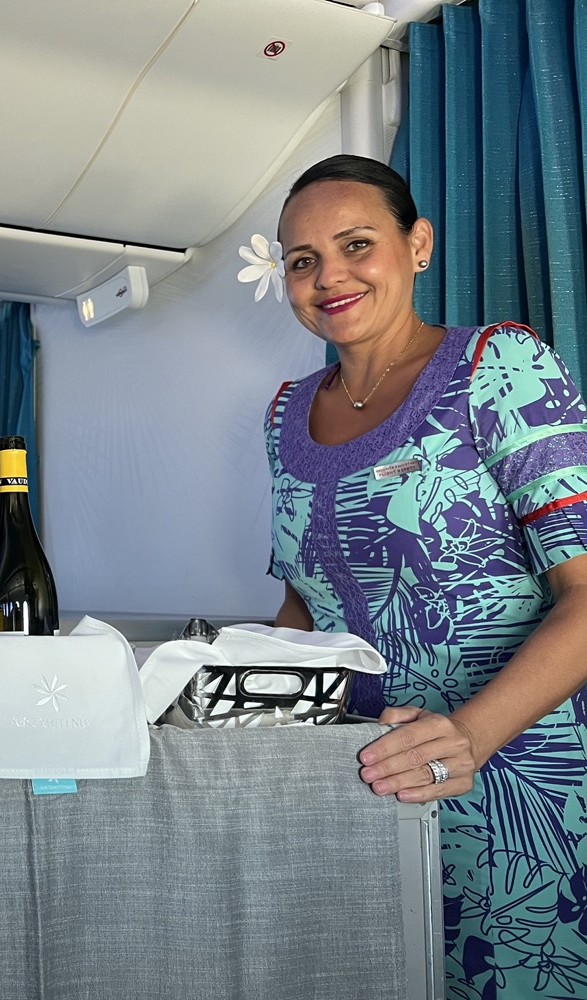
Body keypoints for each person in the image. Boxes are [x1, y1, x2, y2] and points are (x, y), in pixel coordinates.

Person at [265, 153, 587, 997]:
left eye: (355, 244)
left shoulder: (497, 366)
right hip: (360, 785)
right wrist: (227, 699)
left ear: (417, 246)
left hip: (523, 782)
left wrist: (468, 738)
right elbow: (306, 602)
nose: (326, 277)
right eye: (301, 261)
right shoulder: (282, 413)